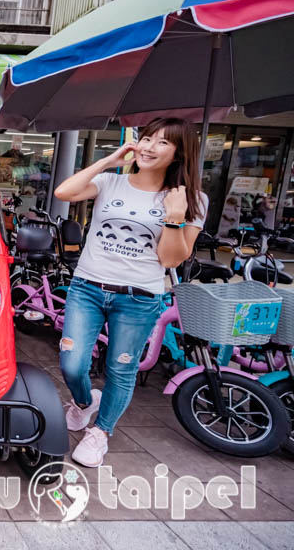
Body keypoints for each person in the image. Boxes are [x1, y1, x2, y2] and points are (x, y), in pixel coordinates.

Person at [53, 118, 207, 467]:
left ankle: (100, 433)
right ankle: (82, 402)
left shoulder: (192, 199)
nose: (150, 147)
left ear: (179, 153)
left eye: (163, 143)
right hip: (88, 288)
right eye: (147, 138)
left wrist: (175, 218)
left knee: (121, 370)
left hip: (139, 298)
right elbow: (64, 192)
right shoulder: (110, 182)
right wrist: (109, 160)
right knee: (72, 363)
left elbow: (170, 258)